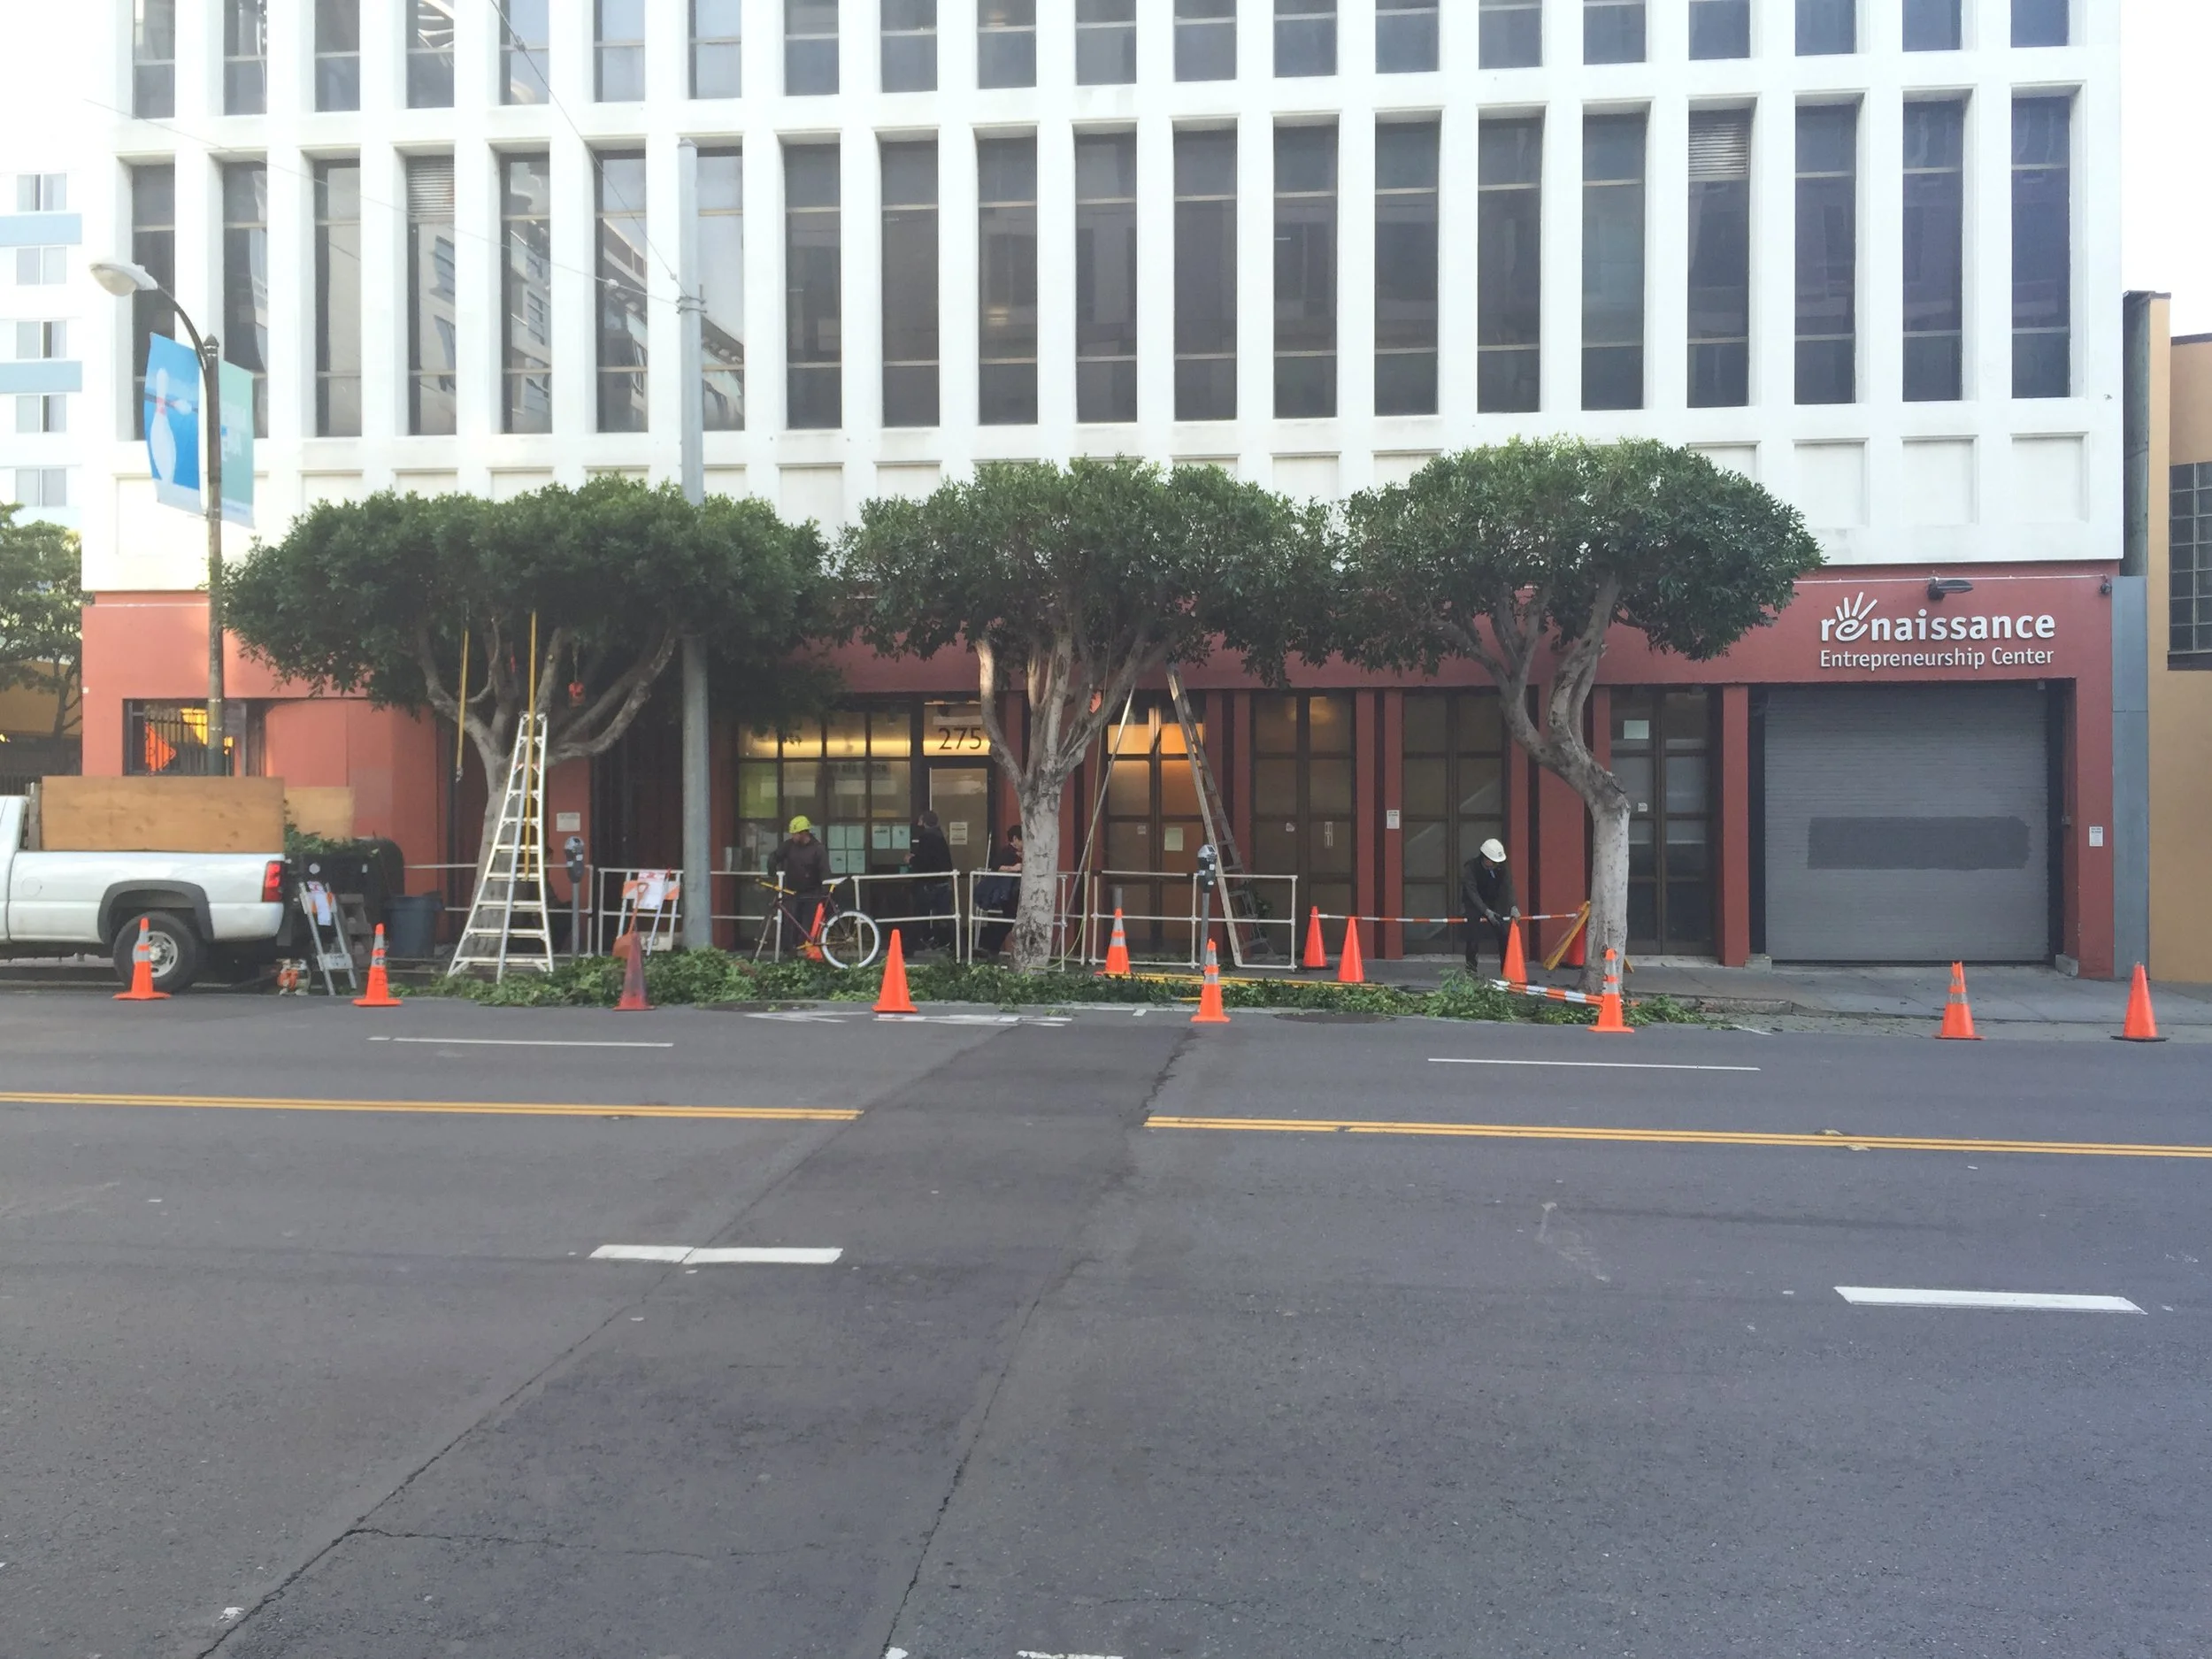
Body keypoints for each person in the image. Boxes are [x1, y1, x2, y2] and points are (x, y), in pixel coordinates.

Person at [1461, 838, 1519, 976]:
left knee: (1504, 935)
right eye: (1492, 861)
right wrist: (1486, 911)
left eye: (1497, 862)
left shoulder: (1502, 867)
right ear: (1484, 857)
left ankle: (1506, 972)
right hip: (1474, 904)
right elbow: (1472, 892)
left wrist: (1513, 906)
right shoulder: (1471, 868)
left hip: (1494, 901)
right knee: (1473, 937)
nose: (1495, 864)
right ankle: (1471, 972)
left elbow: (1508, 887)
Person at [772, 815, 832, 945]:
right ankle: (790, 951)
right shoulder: (789, 845)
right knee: (790, 923)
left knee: (809, 924)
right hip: (792, 892)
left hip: (812, 893)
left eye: (796, 834)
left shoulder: (818, 849)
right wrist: (771, 870)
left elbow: (825, 871)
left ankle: (809, 951)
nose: (793, 837)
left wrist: (824, 892)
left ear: (804, 833)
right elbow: (775, 856)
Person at [975, 824, 1025, 957]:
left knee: (1009, 920)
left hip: (1009, 893)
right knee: (1010, 919)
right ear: (1015, 839)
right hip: (1005, 894)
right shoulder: (1007, 852)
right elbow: (997, 866)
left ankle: (992, 947)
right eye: (1023, 840)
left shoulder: (1016, 853)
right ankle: (992, 947)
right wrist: (1014, 868)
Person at [909, 810, 954, 949]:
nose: (917, 823)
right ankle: (949, 942)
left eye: (920, 821)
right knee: (943, 914)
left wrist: (912, 860)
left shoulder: (927, 838)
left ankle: (915, 943)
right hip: (942, 881)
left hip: (929, 882)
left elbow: (925, 861)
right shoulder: (940, 836)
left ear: (924, 822)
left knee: (920, 913)